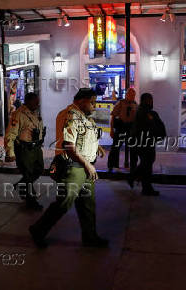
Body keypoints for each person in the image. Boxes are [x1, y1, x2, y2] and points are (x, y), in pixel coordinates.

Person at [29, 88, 108, 248]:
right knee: (64, 202)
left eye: (95, 102)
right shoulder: (71, 115)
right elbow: (68, 146)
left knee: (87, 204)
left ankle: (90, 237)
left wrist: (96, 147)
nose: (94, 105)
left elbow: (85, 137)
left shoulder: (84, 117)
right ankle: (38, 229)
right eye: (91, 102)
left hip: (85, 167)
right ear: (80, 100)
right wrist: (87, 165)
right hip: (74, 167)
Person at [5, 92, 45, 210]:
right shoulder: (18, 114)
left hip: (36, 148)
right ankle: (30, 201)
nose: (38, 104)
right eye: (35, 101)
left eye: (38, 101)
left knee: (39, 169)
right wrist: (10, 153)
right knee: (27, 175)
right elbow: (10, 134)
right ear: (28, 101)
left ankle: (21, 185)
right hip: (24, 150)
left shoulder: (35, 113)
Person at [128, 93, 166, 196]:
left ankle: (135, 178)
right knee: (147, 165)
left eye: (151, 99)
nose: (151, 101)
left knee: (148, 163)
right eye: (149, 99)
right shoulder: (142, 112)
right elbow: (144, 127)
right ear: (144, 100)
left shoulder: (148, 112)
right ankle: (146, 187)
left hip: (146, 142)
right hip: (143, 143)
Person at [107, 88, 138, 172]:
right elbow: (113, 116)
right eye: (130, 94)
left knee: (133, 148)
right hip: (121, 127)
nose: (132, 96)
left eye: (133, 95)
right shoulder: (121, 103)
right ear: (126, 95)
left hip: (130, 128)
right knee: (115, 147)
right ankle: (112, 165)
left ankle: (133, 166)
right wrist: (111, 130)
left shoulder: (135, 104)